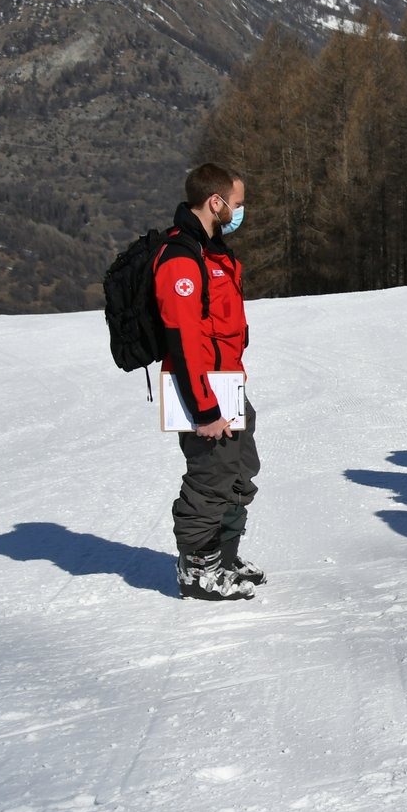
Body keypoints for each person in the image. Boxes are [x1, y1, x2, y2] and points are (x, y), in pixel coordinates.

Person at [157, 163, 262, 600]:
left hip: (227, 383)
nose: (240, 212)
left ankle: (223, 555)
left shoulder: (212, 250)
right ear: (215, 202)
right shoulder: (181, 258)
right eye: (236, 204)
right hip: (200, 391)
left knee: (240, 469)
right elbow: (182, 341)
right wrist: (204, 409)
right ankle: (197, 569)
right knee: (209, 476)